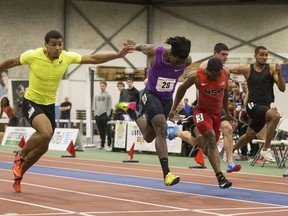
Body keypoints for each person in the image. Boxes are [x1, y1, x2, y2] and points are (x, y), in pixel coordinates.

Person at [0, 30, 134, 193]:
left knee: (43, 146)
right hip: (31, 101)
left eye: (60, 44)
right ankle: (20, 156)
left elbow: (92, 58)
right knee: (46, 132)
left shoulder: (66, 57)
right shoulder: (33, 55)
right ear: (46, 45)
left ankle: (19, 174)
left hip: (49, 105)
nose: (57, 48)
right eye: (53, 45)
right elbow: (13, 61)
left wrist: (118, 55)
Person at [117, 36, 192, 186]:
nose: (178, 65)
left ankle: (132, 111)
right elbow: (144, 46)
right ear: (170, 53)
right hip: (150, 94)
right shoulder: (156, 53)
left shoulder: (187, 60)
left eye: (181, 63)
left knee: (149, 136)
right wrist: (134, 45)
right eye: (176, 61)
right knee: (162, 128)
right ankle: (167, 174)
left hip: (167, 99)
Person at [169, 57, 234, 189]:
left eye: (217, 75)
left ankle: (179, 133)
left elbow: (225, 92)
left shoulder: (225, 74)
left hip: (216, 114)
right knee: (210, 137)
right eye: (212, 75)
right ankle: (220, 177)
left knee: (207, 145)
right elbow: (182, 88)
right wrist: (174, 107)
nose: (215, 78)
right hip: (201, 113)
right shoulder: (196, 76)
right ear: (207, 71)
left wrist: (227, 111)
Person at [229, 46, 286, 162]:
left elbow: (282, 88)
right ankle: (266, 149)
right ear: (255, 56)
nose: (264, 57)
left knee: (248, 135)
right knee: (275, 116)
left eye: (266, 55)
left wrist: (280, 74)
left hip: (264, 107)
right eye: (261, 55)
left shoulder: (271, 69)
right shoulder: (247, 69)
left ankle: (229, 152)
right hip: (252, 106)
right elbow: (231, 70)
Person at [94, 81, 112, 150]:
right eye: (101, 86)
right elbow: (95, 105)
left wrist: (107, 114)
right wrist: (95, 114)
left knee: (108, 130)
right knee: (101, 131)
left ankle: (109, 144)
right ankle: (102, 144)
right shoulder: (97, 95)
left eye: (103, 86)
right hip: (98, 115)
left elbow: (109, 105)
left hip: (105, 115)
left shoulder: (108, 95)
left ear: (105, 86)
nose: (102, 87)